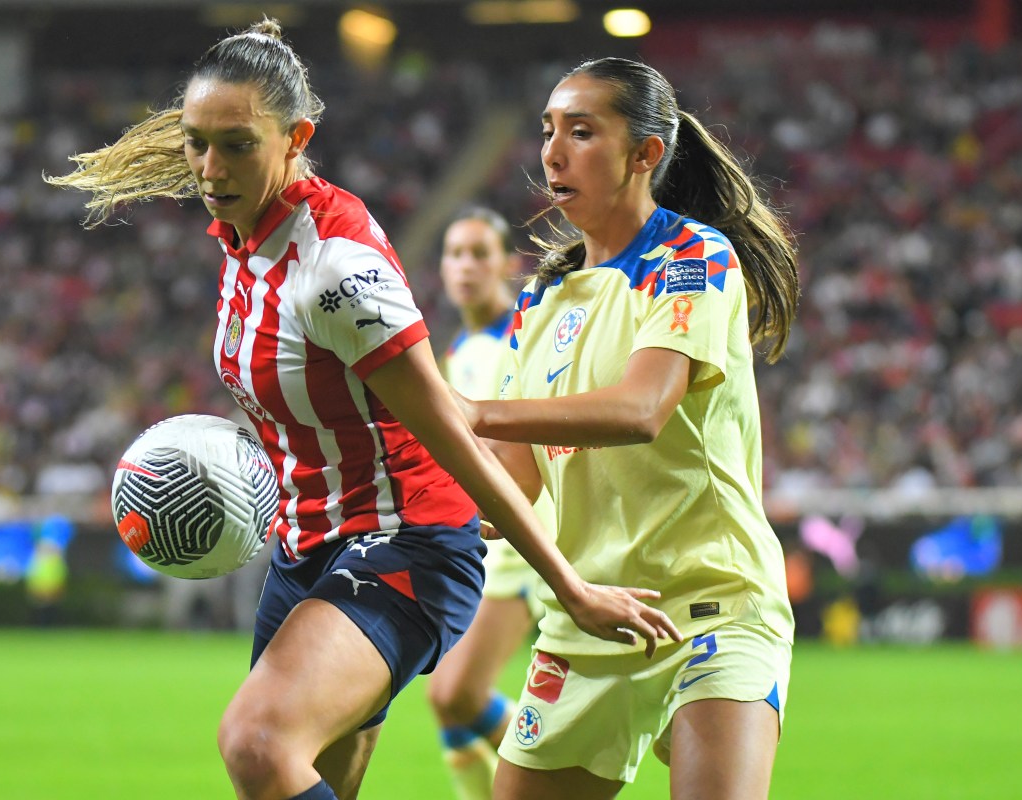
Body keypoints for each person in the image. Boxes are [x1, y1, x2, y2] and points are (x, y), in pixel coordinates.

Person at [46, 23, 680, 800]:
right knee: (287, 773)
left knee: (256, 744)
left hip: (404, 543)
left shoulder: (334, 270)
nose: (210, 169)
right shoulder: (244, 239)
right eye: (197, 144)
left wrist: (571, 587)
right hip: (305, 548)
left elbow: (448, 428)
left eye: (237, 146)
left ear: (296, 139)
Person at [453, 57, 801, 800]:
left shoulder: (692, 257)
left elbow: (642, 411)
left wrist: (473, 411)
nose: (552, 153)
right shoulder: (541, 298)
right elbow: (511, 479)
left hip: (712, 605)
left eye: (581, 132)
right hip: (588, 617)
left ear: (645, 153)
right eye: (548, 130)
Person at [427, 207, 556, 800]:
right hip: (472, 535)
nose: (465, 267)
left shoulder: (526, 333)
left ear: (508, 263)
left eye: (479, 254)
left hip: (519, 539)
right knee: (447, 701)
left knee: (457, 694)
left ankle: (556, 778)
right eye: (455, 254)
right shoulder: (460, 347)